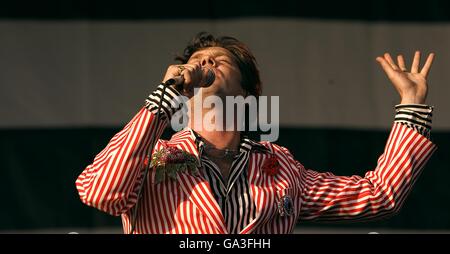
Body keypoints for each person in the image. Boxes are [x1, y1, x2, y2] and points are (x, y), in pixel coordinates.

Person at [75, 32, 436, 234]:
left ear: (246, 95)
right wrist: (166, 94)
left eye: (219, 60)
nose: (205, 63)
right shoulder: (154, 156)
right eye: (198, 60)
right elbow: (99, 192)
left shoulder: (280, 167)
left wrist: (412, 105)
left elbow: (378, 196)